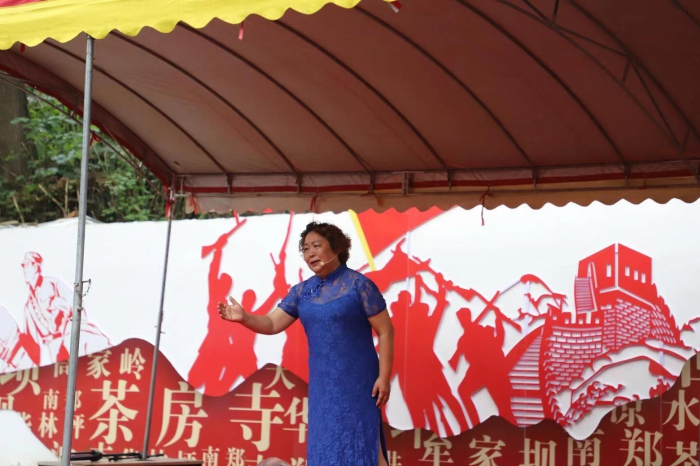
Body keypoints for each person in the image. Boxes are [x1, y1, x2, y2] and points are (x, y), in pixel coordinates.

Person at [218, 222, 394, 466]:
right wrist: (245, 318)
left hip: (358, 382)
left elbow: (386, 331)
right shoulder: (302, 292)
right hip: (323, 385)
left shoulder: (359, 285)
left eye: (317, 246)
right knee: (326, 442)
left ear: (337, 247)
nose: (310, 253)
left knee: (364, 442)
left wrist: (384, 377)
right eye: (306, 248)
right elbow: (272, 323)